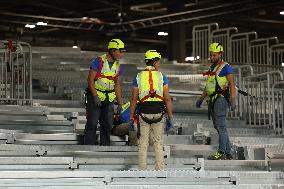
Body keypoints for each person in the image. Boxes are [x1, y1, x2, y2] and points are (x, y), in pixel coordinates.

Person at [129, 50, 173, 170]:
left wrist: (131, 117)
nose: (159, 64)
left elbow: (134, 99)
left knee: (143, 144)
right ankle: (160, 171)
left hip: (143, 113)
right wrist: (170, 117)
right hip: (158, 112)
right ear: (155, 61)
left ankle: (142, 171)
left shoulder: (138, 76)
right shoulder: (162, 76)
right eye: (158, 61)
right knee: (158, 143)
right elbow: (167, 99)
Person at [196, 42, 236, 160]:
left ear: (220, 54)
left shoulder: (226, 67)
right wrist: (201, 98)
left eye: (214, 55)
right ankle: (228, 153)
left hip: (221, 100)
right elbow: (209, 85)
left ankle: (221, 152)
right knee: (218, 127)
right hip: (213, 99)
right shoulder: (212, 68)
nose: (212, 57)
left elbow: (232, 84)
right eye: (211, 55)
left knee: (221, 126)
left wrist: (233, 99)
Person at [84, 39, 125, 145]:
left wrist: (120, 103)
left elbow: (117, 84)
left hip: (109, 99)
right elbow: (90, 80)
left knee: (107, 125)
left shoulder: (117, 64)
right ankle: (88, 148)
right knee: (92, 124)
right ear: (112, 51)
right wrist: (95, 96)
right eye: (120, 51)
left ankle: (105, 148)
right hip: (96, 98)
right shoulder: (99, 61)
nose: (122, 53)